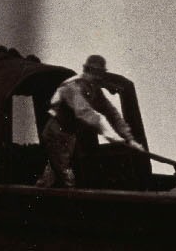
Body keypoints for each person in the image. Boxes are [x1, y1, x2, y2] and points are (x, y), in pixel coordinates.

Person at [36, 54, 137, 188]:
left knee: (54, 170)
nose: (98, 78)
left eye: (100, 74)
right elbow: (85, 113)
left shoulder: (94, 89)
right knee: (66, 176)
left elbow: (112, 113)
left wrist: (129, 138)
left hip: (69, 135)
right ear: (86, 70)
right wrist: (112, 136)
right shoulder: (72, 87)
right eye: (95, 73)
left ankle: (40, 189)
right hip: (56, 133)